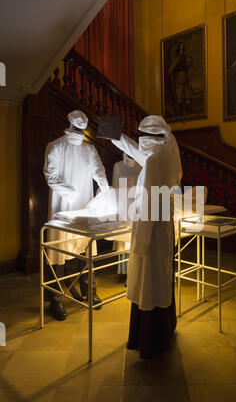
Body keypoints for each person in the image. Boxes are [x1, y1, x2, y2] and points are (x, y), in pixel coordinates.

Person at [111, 115, 182, 359]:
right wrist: (117, 137)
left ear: (149, 138)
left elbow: (150, 203)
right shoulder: (165, 154)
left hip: (150, 228)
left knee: (148, 280)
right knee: (162, 278)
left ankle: (148, 341)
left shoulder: (153, 160)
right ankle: (164, 330)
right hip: (163, 225)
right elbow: (141, 155)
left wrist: (140, 242)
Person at [43, 110, 109, 321]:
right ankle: (55, 299)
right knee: (57, 253)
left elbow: (99, 171)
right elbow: (51, 176)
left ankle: (89, 292)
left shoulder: (89, 150)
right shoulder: (55, 146)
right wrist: (71, 193)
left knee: (85, 249)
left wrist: (105, 189)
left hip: (84, 209)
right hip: (61, 209)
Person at [112, 153, 141, 282]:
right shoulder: (118, 166)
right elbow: (115, 188)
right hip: (124, 208)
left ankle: (138, 272)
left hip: (139, 207)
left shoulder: (142, 165)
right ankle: (127, 273)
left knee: (138, 240)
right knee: (125, 241)